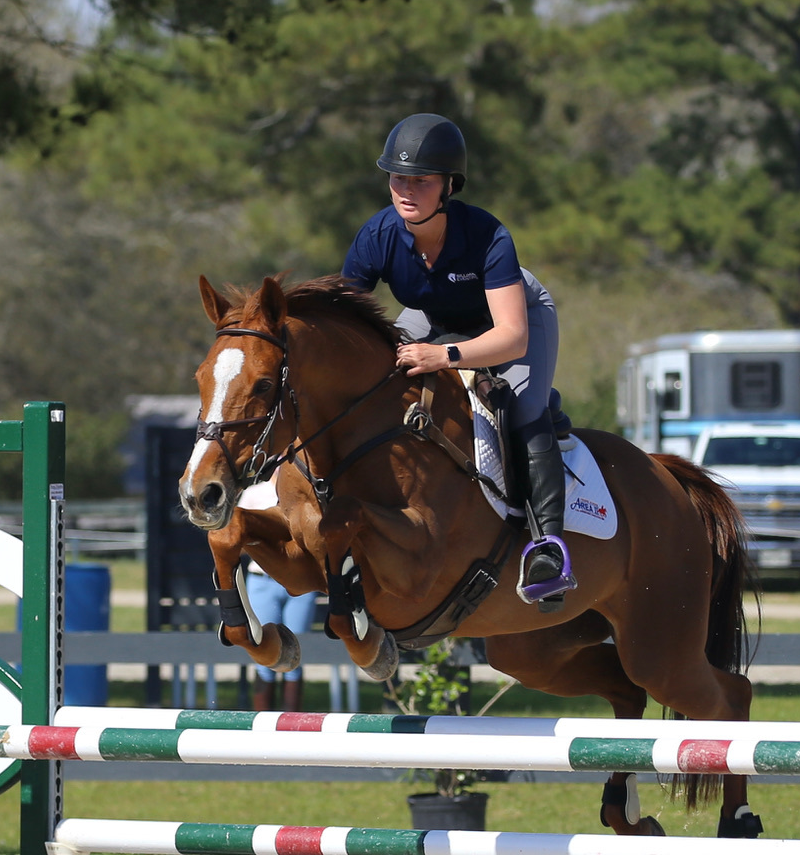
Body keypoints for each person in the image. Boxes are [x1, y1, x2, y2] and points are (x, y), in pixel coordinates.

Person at [340, 113, 574, 607]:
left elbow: (510, 337)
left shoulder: (488, 236)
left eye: (421, 180)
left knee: (524, 413)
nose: (406, 190)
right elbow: (345, 324)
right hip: (433, 314)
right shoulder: (377, 236)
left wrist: (443, 355)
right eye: (397, 177)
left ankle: (547, 548)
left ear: (448, 186)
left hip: (513, 319)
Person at [242, 560, 315, 712]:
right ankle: (262, 724)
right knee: (264, 656)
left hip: (301, 578)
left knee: (295, 658)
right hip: (263, 578)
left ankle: (293, 725)